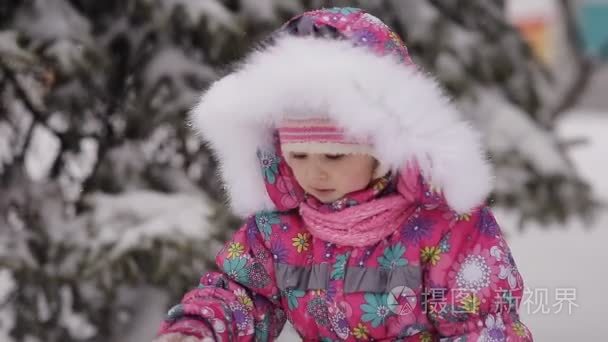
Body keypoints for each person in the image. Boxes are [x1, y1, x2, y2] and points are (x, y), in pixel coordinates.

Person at [154, 7, 533, 341]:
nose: (314, 172)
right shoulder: (280, 227)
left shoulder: (445, 225)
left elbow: (481, 325)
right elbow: (242, 292)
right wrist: (200, 327)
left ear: (382, 152)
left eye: (335, 156)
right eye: (298, 155)